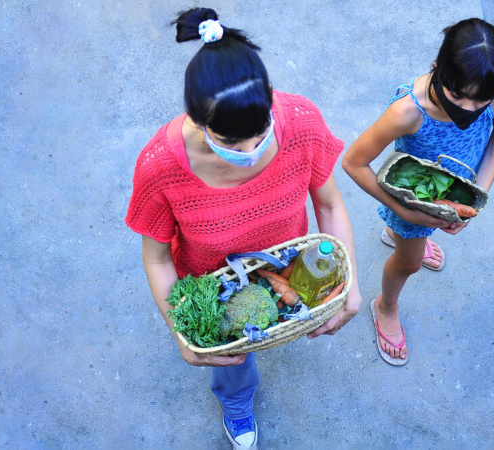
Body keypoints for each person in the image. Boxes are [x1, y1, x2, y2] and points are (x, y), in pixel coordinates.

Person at [124, 8, 361, 449]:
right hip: (212, 282)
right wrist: (183, 334)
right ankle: (235, 399)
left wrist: (349, 284)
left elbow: (328, 202)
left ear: (270, 99)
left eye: (261, 133)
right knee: (233, 360)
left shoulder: (302, 123)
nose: (252, 152)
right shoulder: (160, 167)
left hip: (290, 262)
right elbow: (156, 256)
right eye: (233, 144)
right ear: (196, 120)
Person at [342, 18, 494, 365]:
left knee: (413, 247)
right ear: (437, 69)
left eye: (479, 101)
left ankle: (398, 236)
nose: (467, 111)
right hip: (414, 198)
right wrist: (406, 213)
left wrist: (475, 197)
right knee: (410, 263)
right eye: (456, 96)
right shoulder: (408, 112)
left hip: (449, 193)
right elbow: (353, 162)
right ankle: (386, 305)